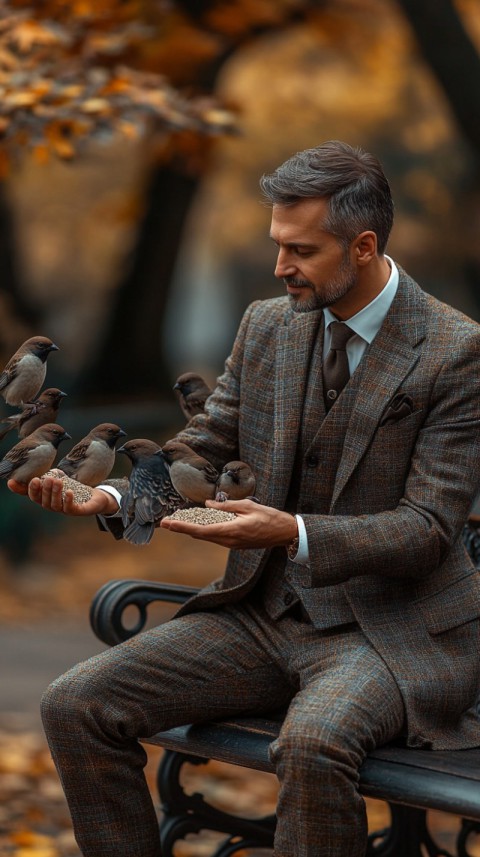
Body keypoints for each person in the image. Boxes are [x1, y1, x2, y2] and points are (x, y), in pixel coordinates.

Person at [9, 140, 480, 857]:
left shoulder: (456, 350)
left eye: (300, 250)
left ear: (362, 245)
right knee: (74, 703)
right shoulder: (268, 325)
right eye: (276, 245)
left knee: (314, 743)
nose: (279, 266)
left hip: (392, 631)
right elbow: (201, 444)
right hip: (261, 618)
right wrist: (107, 496)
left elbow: (427, 530)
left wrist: (291, 532)